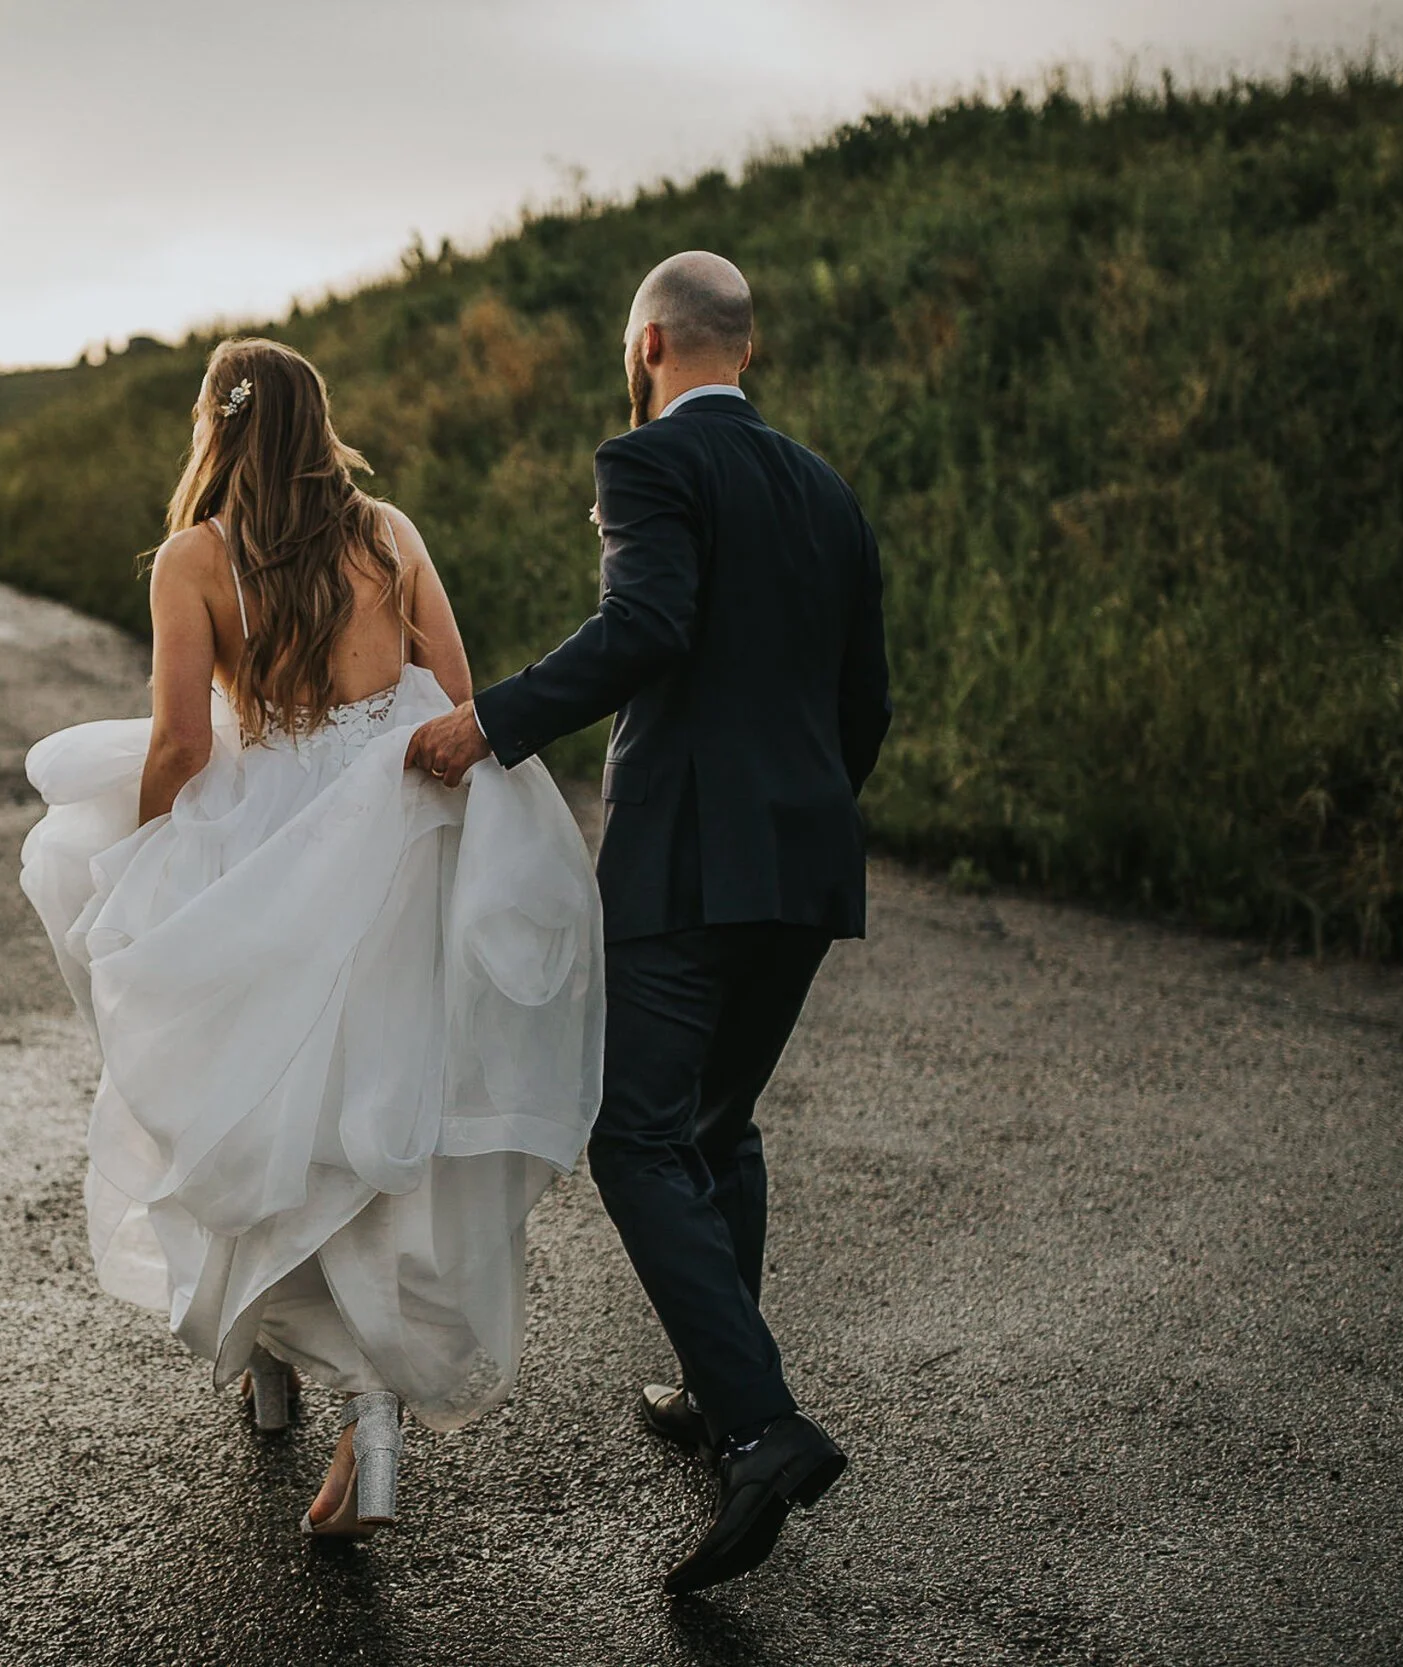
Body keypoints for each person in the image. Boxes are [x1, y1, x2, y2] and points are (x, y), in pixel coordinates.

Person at [20, 338, 604, 1538]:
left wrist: (140, 867)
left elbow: (181, 745)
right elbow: (455, 682)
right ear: (317, 422)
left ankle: (273, 1367)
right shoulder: (387, 531)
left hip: (268, 845)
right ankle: (369, 1406)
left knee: (254, 1097)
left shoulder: (194, 557)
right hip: (399, 832)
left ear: (217, 426)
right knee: (370, 1123)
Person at [408, 251, 891, 1593]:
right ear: (747, 347)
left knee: (632, 1133)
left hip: (685, 860)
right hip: (804, 861)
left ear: (650, 345)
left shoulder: (646, 464)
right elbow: (868, 701)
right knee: (716, 1124)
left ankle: (762, 1422)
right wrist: (800, 812)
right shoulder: (828, 490)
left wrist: (487, 719)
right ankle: (704, 1381)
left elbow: (649, 623)